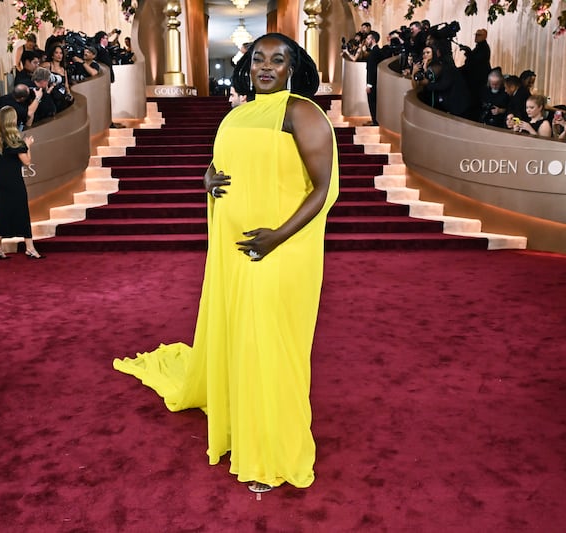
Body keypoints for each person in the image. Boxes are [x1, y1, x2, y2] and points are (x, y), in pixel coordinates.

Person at [113, 32, 339, 494]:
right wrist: (207, 180)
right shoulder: (238, 112)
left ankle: (272, 452)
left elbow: (324, 189)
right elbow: (221, 166)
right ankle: (248, 425)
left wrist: (277, 236)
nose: (266, 67)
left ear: (293, 66)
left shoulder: (302, 112)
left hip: (282, 250)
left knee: (271, 344)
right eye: (258, 58)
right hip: (235, 251)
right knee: (245, 338)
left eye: (278, 60)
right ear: (247, 64)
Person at [0, 106, 45, 260]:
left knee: (2, 209)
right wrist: (28, 146)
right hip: (13, 178)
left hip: (0, 177)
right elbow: (27, 162)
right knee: (22, 210)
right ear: (13, 120)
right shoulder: (16, 139)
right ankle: (30, 248)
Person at [459, 28, 491, 119]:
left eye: (479, 35)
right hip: (474, 78)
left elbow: (476, 62)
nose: (476, 37)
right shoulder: (479, 47)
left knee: (475, 99)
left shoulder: (484, 48)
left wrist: (468, 52)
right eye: (476, 35)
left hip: (478, 80)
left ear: (485, 36)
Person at [364, 30, 382, 126]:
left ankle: (375, 121)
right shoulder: (373, 51)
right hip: (373, 82)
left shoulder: (375, 52)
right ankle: (374, 120)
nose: (366, 40)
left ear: (373, 40)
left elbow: (372, 70)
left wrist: (369, 85)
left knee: (373, 101)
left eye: (368, 38)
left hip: (373, 83)